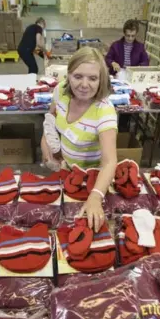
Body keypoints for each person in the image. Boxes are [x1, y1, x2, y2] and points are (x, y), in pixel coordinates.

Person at [41, 47, 118, 232]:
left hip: (92, 181)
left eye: (93, 78)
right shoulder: (60, 91)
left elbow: (110, 162)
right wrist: (47, 148)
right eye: (78, 76)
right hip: (65, 171)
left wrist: (95, 197)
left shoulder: (104, 111)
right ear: (68, 75)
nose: (84, 84)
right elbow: (50, 119)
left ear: (101, 80)